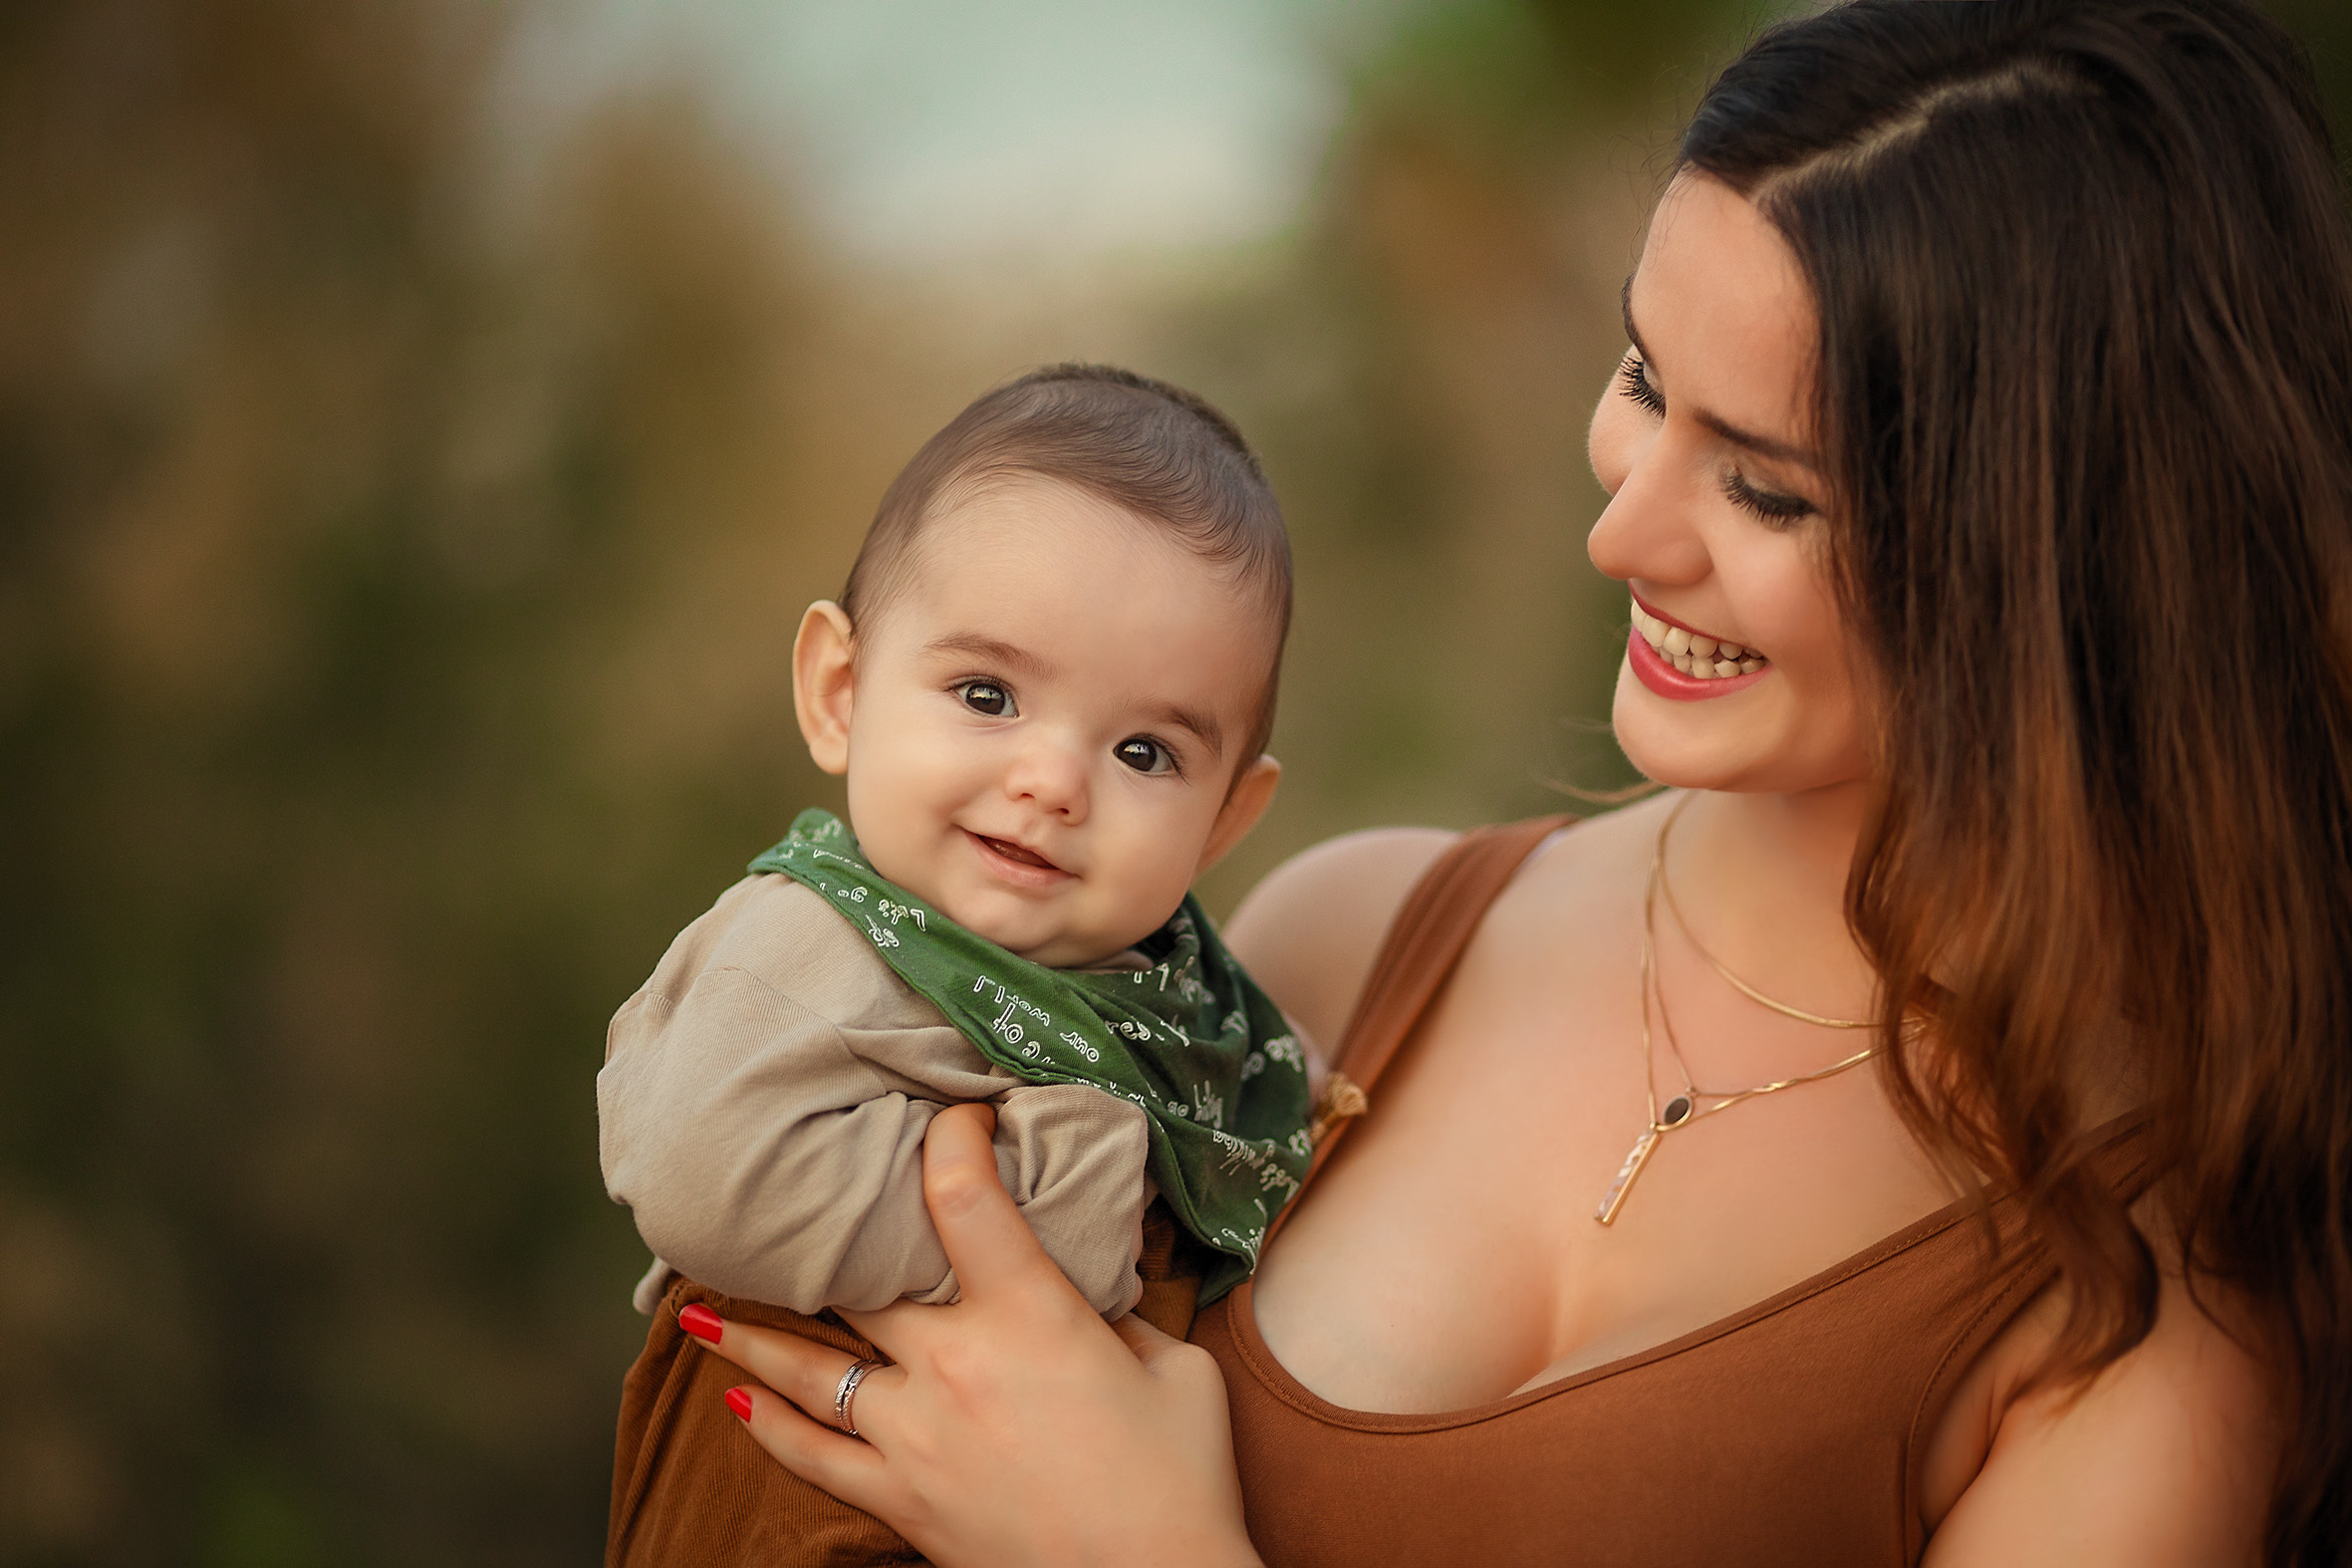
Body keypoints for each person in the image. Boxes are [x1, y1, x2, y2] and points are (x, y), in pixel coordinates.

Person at [662, 1, 2352, 1561]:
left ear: (2054, 560)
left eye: (1767, 491)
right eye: (1641, 382)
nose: (1620, 526)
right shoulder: (1346, 938)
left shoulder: (2146, 1309)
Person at [599, 366, 1331, 1563]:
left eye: (1144, 750)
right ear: (840, 692)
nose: (1053, 779)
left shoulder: (1181, 1009)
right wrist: (1064, 1199)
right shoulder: (808, 940)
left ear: (1227, 820)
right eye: (987, 694)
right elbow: (693, 1160)